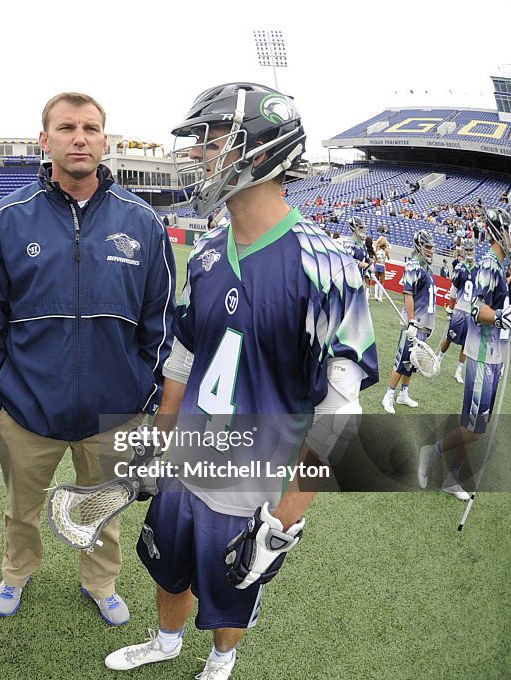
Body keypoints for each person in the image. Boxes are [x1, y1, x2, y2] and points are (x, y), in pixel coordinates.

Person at [104, 82, 377, 680]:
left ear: (259, 147)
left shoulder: (325, 266)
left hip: (250, 478)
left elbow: (340, 414)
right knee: (167, 566)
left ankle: (220, 660)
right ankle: (167, 639)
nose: (199, 155)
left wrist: (285, 521)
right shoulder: (205, 253)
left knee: (233, 584)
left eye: (212, 140)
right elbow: (182, 358)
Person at [0, 91, 175, 625]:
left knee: (105, 508)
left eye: (89, 128)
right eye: (66, 128)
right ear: (45, 139)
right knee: (22, 508)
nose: (78, 138)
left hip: (115, 410)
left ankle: (100, 581)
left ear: (105, 141)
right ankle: (17, 572)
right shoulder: (7, 219)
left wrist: (145, 396)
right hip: (26, 410)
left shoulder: (144, 223)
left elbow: (162, 321)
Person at [419, 208, 510, 500]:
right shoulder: (488, 265)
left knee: (475, 427)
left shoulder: (499, 266)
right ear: (500, 231)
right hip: (482, 355)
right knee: (473, 428)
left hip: (495, 357)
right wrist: (500, 318)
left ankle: (452, 477)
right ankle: (431, 452)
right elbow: (475, 309)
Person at [381, 229, 436, 414]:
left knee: (413, 363)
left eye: (431, 247)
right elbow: (408, 294)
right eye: (427, 247)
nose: (430, 250)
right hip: (413, 324)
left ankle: (403, 394)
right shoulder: (413, 266)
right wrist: (412, 321)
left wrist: (429, 324)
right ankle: (388, 395)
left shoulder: (427, 268)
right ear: (419, 246)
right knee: (402, 360)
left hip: (423, 324)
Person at [438, 243, 477, 383]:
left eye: (471, 249)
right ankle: (438, 360)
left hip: (471, 312)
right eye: (466, 250)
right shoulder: (460, 268)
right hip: (460, 310)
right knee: (449, 337)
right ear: (463, 252)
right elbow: (453, 292)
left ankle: (458, 371)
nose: (469, 252)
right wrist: (450, 308)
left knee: (466, 344)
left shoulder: (479, 269)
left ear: (474, 250)